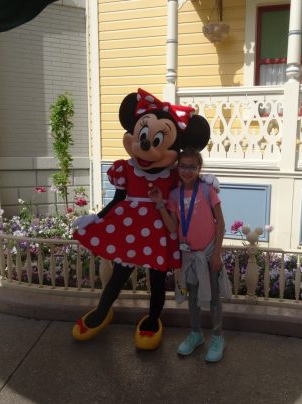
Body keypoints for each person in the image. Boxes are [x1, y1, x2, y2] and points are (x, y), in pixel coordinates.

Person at [72, 89, 212, 350]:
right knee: (118, 275)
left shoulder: (173, 174)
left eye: (158, 140)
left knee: (157, 280)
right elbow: (118, 199)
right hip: (130, 230)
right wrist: (96, 217)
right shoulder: (125, 169)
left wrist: (205, 181)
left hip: (160, 231)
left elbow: (189, 187)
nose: (147, 146)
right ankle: (102, 312)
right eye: (144, 136)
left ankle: (152, 319)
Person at [149, 147, 229, 362]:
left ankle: (218, 337)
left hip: (209, 253)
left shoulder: (207, 190)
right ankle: (196, 334)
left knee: (213, 298)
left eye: (192, 167)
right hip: (189, 256)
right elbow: (172, 227)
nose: (187, 171)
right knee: (192, 297)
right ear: (177, 168)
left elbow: (221, 224)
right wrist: (160, 204)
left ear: (199, 168)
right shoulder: (174, 195)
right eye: (183, 166)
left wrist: (217, 254)